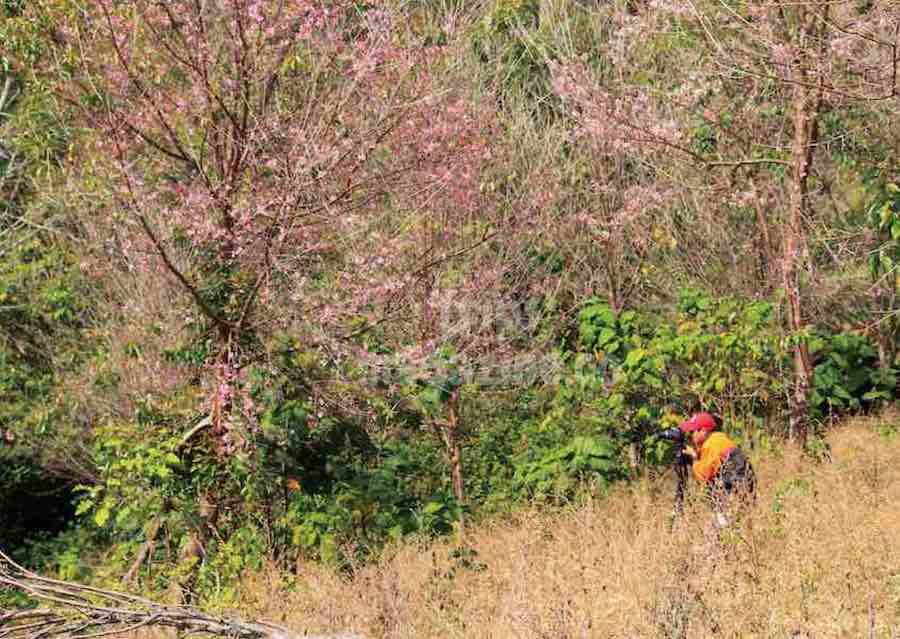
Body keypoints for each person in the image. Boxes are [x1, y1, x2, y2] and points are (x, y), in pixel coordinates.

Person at [679, 411, 755, 526]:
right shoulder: (719, 440)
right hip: (740, 485)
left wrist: (694, 458)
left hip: (732, 488)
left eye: (692, 431)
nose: (690, 435)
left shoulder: (711, 445)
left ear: (704, 431)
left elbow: (703, 476)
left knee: (722, 526)